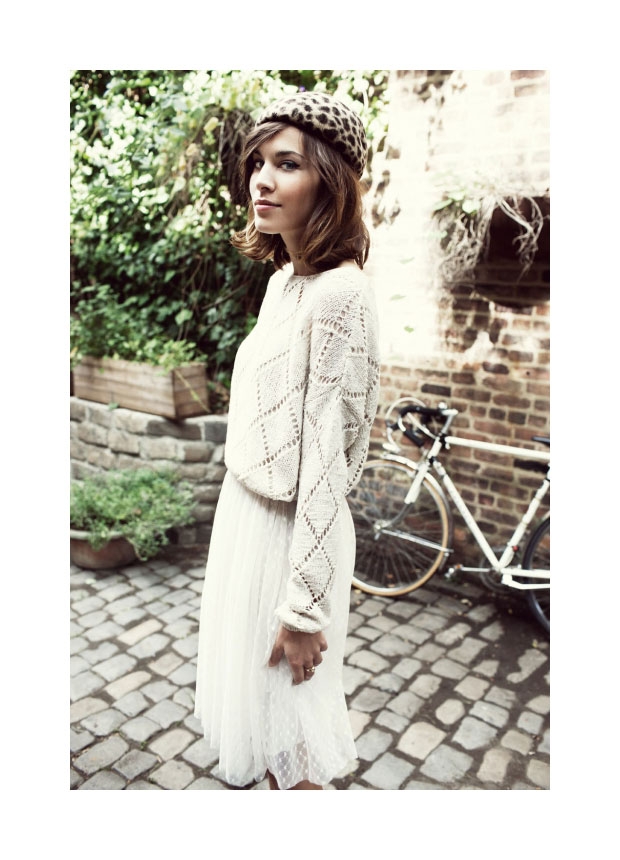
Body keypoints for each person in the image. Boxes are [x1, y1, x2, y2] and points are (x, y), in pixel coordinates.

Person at [194, 91, 380, 791]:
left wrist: (303, 610)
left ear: (329, 183)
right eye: (258, 163)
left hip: (290, 538)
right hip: (246, 521)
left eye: (287, 164)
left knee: (293, 747)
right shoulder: (283, 284)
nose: (261, 181)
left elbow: (328, 467)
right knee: (264, 730)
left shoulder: (340, 297)